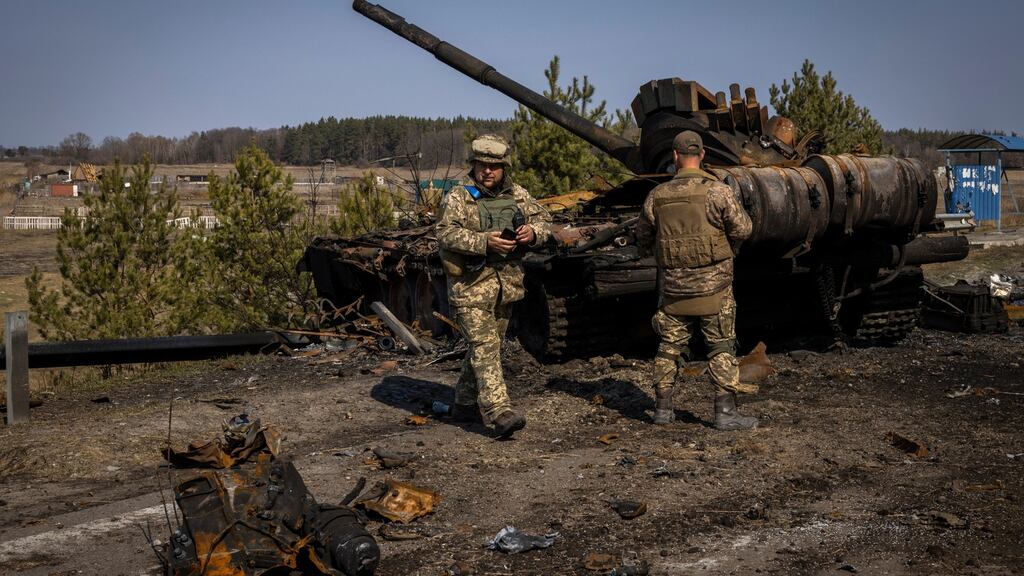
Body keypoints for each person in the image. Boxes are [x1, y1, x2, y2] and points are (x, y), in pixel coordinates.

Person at [635, 130, 758, 431]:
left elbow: (642, 239)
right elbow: (743, 229)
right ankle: (725, 413)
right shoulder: (718, 192)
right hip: (714, 289)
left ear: (675, 157)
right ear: (702, 155)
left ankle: (663, 410)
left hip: (674, 291)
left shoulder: (657, 196)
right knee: (721, 346)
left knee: (669, 347)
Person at [435, 134, 552, 437]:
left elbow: (544, 220)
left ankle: (463, 404)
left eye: (494, 166)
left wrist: (533, 233)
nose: (487, 171)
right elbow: (445, 234)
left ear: (504, 168)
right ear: (473, 165)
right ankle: (499, 411)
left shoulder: (518, 194)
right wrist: (483, 242)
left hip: (505, 287)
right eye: (481, 165)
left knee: (488, 347)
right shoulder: (459, 196)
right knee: (485, 346)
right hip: (470, 287)